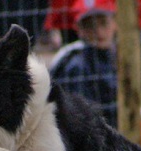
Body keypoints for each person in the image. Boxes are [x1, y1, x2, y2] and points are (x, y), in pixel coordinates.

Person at [49, 0, 118, 128]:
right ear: (79, 30)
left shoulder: (119, 56)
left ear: (115, 23)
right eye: (89, 25)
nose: (99, 31)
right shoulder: (76, 65)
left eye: (103, 23)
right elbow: (84, 121)